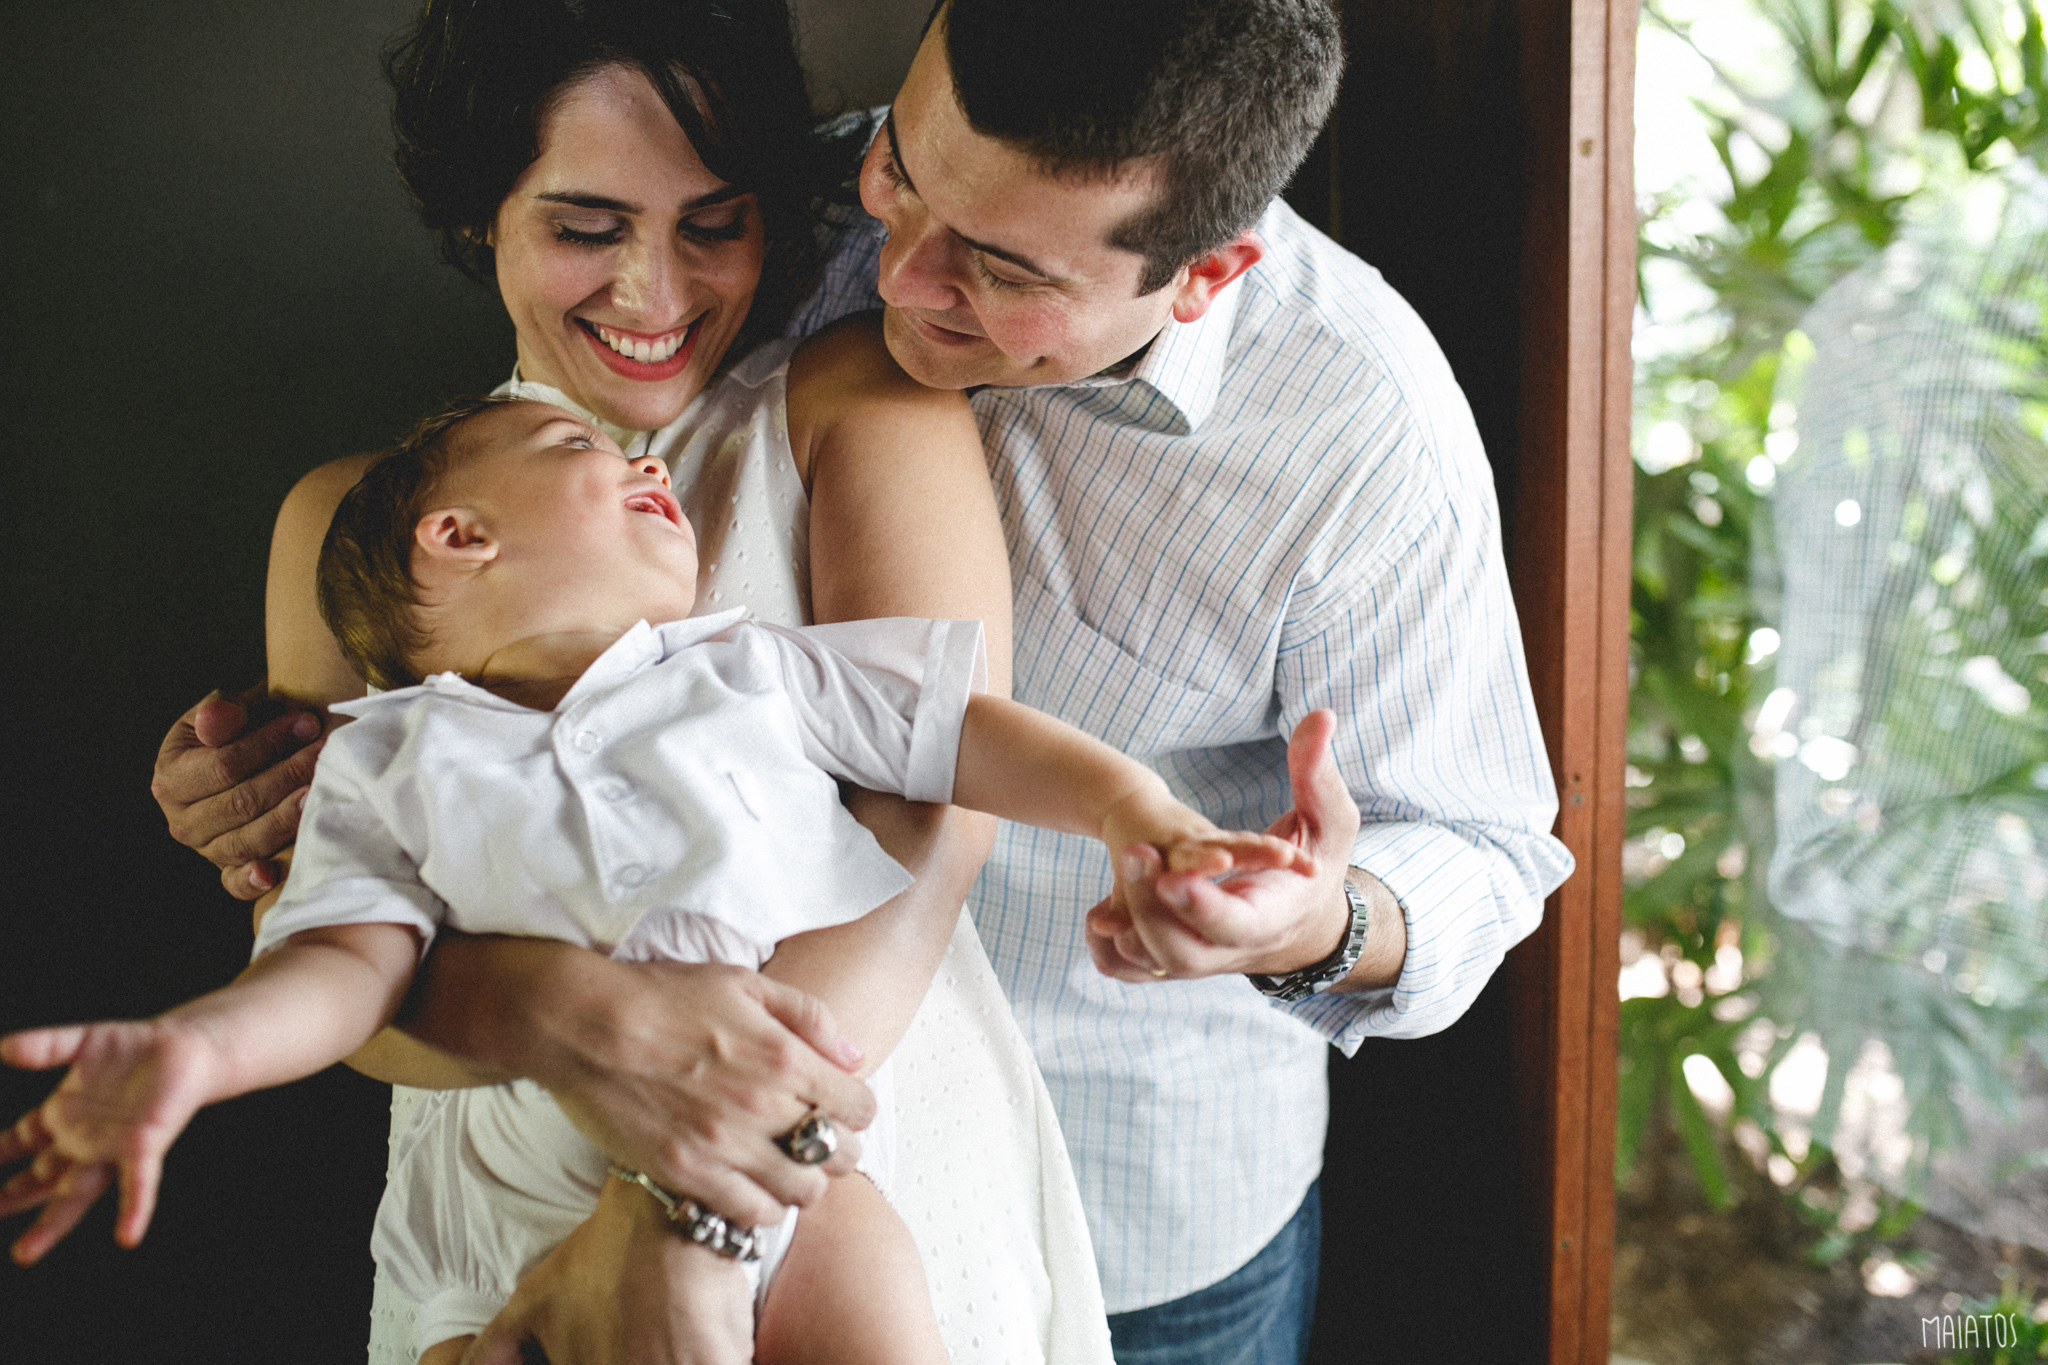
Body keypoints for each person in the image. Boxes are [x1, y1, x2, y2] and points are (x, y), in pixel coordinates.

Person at [152, 2, 1577, 1362]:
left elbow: (945, 809)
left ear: (1204, 275)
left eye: (1001, 271)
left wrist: (1312, 917)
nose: (892, 274)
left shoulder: (1355, 433)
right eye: (899, 169)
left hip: (1106, 1174)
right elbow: (340, 956)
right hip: (532, 1154)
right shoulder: (774, 185)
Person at [144, 2, 1115, 1363]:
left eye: (712, 223)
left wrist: (681, 1199)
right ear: (483, 210)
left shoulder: (857, 409)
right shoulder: (341, 529)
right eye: (587, 229)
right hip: (505, 1178)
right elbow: (338, 959)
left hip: (855, 1134)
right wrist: (579, 1025)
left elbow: (936, 829)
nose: (656, 295)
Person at [3, 393, 1316, 1365]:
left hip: (782, 1178)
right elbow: (338, 971)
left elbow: (961, 733)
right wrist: (194, 1052)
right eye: (583, 452)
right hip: (524, 1183)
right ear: (457, 538)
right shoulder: (394, 761)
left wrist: (1132, 806)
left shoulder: (750, 670)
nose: (645, 459)